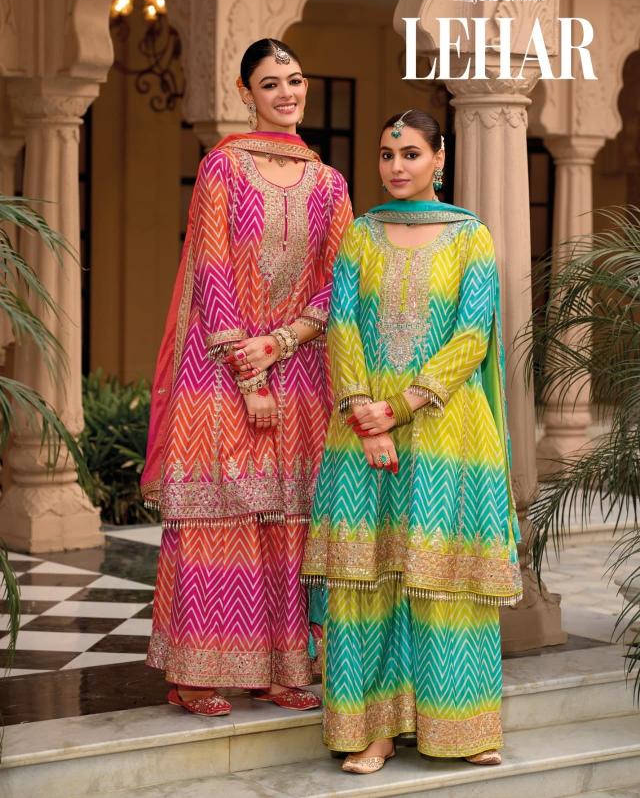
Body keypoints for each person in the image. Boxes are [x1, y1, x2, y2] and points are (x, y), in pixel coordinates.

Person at [301, 108, 522, 770]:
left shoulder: (470, 237)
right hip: (362, 431)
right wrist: (363, 412)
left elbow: (472, 335)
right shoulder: (361, 235)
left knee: (443, 578)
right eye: (387, 154)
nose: (397, 166)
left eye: (411, 154)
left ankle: (461, 727)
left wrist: (399, 406)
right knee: (369, 579)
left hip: (447, 430)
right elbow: (342, 326)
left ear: (439, 158)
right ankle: (374, 730)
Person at [142, 38, 353, 716]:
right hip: (221, 370)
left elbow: (340, 281)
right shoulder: (223, 168)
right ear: (245, 93)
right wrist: (250, 373)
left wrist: (283, 342)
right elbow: (211, 271)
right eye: (271, 83)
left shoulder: (330, 183)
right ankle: (195, 672)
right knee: (220, 512)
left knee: (288, 518)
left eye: (295, 79)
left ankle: (280, 668)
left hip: (300, 369)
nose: (287, 93)